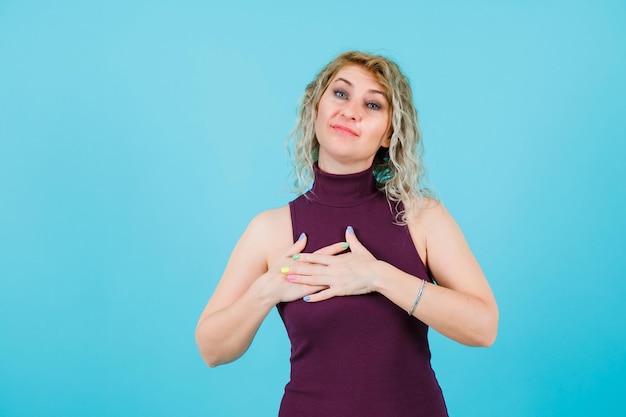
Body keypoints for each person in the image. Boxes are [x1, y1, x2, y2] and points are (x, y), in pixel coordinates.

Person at [195, 51, 498, 416]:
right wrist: (267, 289)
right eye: (340, 94)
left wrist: (379, 275)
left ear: (389, 134)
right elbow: (211, 350)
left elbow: (484, 327)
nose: (351, 111)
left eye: (372, 104)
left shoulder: (421, 217)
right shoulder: (270, 230)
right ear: (316, 108)